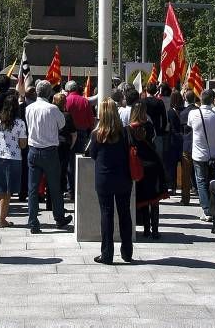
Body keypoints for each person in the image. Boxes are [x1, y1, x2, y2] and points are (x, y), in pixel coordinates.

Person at [24, 79, 73, 234]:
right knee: (54, 187)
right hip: (50, 151)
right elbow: (62, 125)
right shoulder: (53, 109)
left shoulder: (29, 108)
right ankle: (59, 217)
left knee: (32, 188)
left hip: (33, 150)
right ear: (49, 93)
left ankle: (33, 221)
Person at [89, 97, 133, 265]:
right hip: (123, 177)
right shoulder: (125, 132)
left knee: (106, 214)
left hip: (104, 178)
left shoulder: (97, 134)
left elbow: (93, 154)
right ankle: (127, 252)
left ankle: (107, 253)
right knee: (125, 214)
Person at [0, 90, 27, 228]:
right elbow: (23, 145)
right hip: (13, 158)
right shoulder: (20, 123)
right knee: (7, 191)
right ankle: (2, 219)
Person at [129, 100, 168, 238]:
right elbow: (153, 139)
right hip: (153, 163)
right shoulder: (149, 126)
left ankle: (146, 230)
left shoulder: (129, 128)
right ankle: (155, 231)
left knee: (144, 200)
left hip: (139, 165)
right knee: (154, 199)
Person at [190, 88, 215, 222]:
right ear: (213, 101)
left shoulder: (193, 114)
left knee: (201, 182)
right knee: (213, 182)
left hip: (199, 154)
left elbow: (191, 126)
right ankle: (214, 208)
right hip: (214, 153)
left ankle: (206, 210)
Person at [64, 80, 95, 196]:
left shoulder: (65, 101)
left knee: (69, 162)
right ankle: (79, 187)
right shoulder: (85, 101)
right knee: (80, 160)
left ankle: (70, 189)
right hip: (82, 133)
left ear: (68, 90)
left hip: (68, 134)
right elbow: (91, 120)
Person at [52, 91, 77, 206]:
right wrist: (70, 146)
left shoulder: (50, 114)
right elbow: (74, 134)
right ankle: (59, 202)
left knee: (51, 174)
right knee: (62, 174)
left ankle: (50, 202)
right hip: (64, 147)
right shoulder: (67, 116)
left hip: (52, 146)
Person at [178, 89, 197, 205]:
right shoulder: (198, 111)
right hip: (198, 145)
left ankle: (185, 198)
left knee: (185, 174)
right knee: (200, 174)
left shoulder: (183, 113)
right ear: (194, 99)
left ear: (185, 99)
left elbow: (181, 131)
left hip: (187, 146)